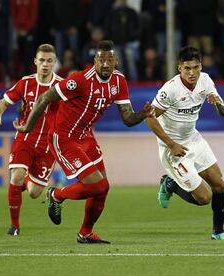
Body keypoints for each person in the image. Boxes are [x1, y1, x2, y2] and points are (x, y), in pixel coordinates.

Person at [14, 40, 153, 244]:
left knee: (103, 189)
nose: (105, 64)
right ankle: (57, 195)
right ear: (95, 61)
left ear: (116, 61)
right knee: (97, 185)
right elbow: (45, 97)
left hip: (85, 136)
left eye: (109, 60)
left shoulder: (119, 81)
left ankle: (85, 233)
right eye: (101, 60)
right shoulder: (79, 80)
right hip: (63, 137)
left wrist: (143, 114)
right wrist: (27, 126)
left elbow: (128, 118)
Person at [145, 46, 224, 240]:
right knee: (204, 198)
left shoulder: (205, 80)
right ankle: (170, 184)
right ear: (179, 67)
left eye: (195, 67)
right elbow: (150, 118)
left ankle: (219, 231)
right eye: (187, 68)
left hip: (194, 140)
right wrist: (171, 144)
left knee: (220, 185)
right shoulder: (170, 89)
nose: (192, 73)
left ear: (201, 66)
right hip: (173, 148)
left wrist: (218, 103)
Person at [0, 44, 62, 236]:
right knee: (17, 175)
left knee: (33, 193)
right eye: (42, 60)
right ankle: (15, 225)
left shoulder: (62, 86)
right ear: (35, 62)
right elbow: (3, 102)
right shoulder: (26, 83)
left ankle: (29, 183)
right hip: (25, 138)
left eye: (49, 61)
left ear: (54, 63)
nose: (45, 65)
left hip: (47, 144)